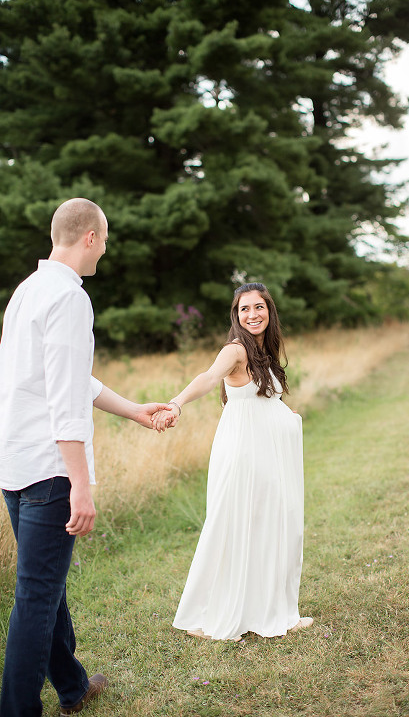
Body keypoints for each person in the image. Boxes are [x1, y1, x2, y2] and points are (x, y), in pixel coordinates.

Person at [0, 198, 172, 717]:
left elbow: (68, 380)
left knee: (43, 584)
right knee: (34, 594)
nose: (107, 246)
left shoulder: (26, 293)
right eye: (107, 237)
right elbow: (64, 402)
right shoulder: (70, 299)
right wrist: (81, 481)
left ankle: (73, 687)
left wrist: (135, 411)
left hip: (15, 466)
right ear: (91, 237)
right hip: (52, 470)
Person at [153, 283, 313, 641]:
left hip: (269, 450)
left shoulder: (264, 352)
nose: (252, 314)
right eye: (245, 309)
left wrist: (285, 416)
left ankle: (277, 611)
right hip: (245, 452)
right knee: (235, 523)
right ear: (236, 315)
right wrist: (176, 403)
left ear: (269, 312)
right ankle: (214, 613)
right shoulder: (236, 350)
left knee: (276, 523)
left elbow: (260, 402)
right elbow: (210, 377)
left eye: (259, 307)